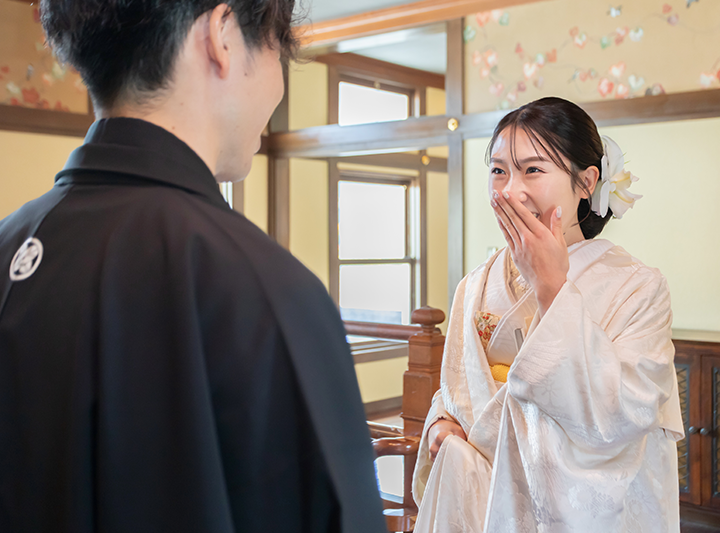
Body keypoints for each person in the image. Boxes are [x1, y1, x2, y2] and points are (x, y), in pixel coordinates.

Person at [0, 2, 386, 532]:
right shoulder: (270, 291)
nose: (278, 86)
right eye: (277, 51)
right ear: (222, 34)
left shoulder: (9, 244)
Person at [411, 97, 684, 533]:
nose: (509, 191)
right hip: (476, 498)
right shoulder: (475, 284)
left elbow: (627, 413)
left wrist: (553, 287)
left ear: (586, 182)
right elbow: (455, 387)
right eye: (498, 170)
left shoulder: (638, 287)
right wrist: (440, 425)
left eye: (533, 170)